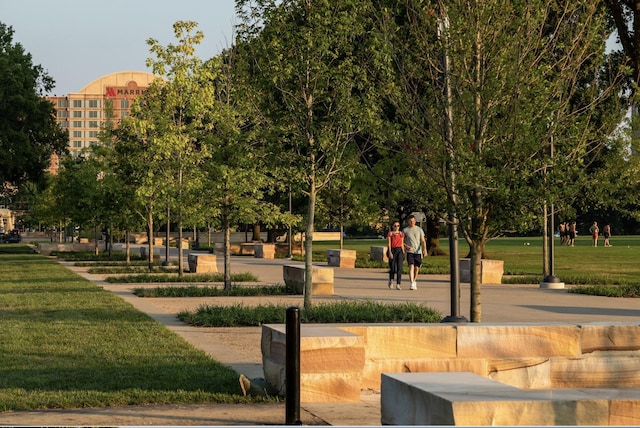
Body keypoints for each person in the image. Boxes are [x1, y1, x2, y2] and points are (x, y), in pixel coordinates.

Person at [403, 214, 427, 291]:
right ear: (408, 222)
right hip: (410, 251)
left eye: (413, 221)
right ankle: (412, 283)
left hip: (418, 251)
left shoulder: (419, 230)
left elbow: (423, 240)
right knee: (411, 266)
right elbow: (401, 242)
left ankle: (414, 280)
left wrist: (424, 249)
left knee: (416, 268)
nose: (412, 222)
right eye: (410, 221)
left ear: (415, 221)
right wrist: (406, 247)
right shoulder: (405, 230)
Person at [387, 221, 405, 289]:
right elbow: (389, 243)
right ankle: (391, 280)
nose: (396, 227)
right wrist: (390, 252)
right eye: (395, 226)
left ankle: (398, 283)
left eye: (398, 226)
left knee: (399, 268)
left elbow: (402, 243)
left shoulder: (401, 234)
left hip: (399, 250)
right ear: (392, 226)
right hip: (393, 250)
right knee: (393, 268)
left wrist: (403, 252)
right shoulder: (390, 234)